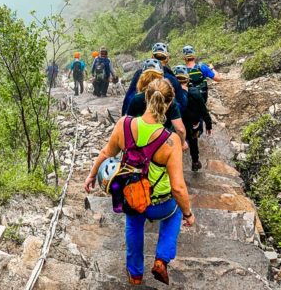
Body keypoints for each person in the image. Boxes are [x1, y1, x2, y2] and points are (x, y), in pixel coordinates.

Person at [84, 79, 195, 285]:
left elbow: (106, 153)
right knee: (175, 213)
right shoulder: (171, 141)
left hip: (132, 197)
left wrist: (92, 175)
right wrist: (188, 213)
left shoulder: (124, 125)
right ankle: (161, 259)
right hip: (160, 203)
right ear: (169, 104)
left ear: (145, 98)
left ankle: (135, 274)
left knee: (134, 224)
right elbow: (178, 188)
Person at [126, 59, 188, 151]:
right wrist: (182, 143)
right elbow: (180, 129)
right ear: (161, 77)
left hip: (142, 142)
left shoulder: (136, 99)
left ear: (142, 78)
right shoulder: (169, 100)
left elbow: (128, 124)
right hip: (164, 142)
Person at [174, 65, 213, 171]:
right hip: (193, 124)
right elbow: (203, 110)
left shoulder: (171, 94)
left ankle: (175, 165)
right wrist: (208, 125)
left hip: (177, 123)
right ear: (187, 79)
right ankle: (195, 162)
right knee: (193, 141)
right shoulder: (195, 92)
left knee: (176, 142)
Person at [152, 42, 188, 111]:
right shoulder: (172, 79)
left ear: (152, 56)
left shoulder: (139, 75)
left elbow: (129, 99)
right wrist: (184, 91)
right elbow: (182, 104)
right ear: (167, 58)